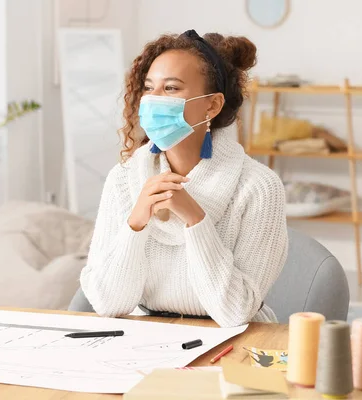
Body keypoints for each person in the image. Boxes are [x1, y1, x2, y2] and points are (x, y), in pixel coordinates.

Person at [68, 29, 288, 328]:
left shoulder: (258, 187)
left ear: (212, 105)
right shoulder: (123, 179)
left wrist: (195, 219)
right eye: (148, 88)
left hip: (234, 343)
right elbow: (109, 303)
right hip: (148, 339)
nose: (153, 101)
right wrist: (136, 222)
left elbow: (235, 311)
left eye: (171, 89)